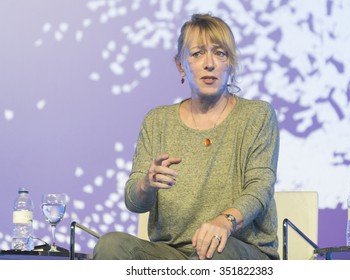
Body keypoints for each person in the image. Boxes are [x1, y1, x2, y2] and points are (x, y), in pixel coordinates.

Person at [94, 13, 280, 260]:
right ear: (181, 65)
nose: (209, 63)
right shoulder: (157, 121)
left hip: (238, 249)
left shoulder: (257, 114)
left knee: (211, 253)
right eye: (197, 54)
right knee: (110, 246)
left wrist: (225, 222)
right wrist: (146, 185)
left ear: (230, 64)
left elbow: (260, 187)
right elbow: (134, 202)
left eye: (220, 53)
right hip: (173, 254)